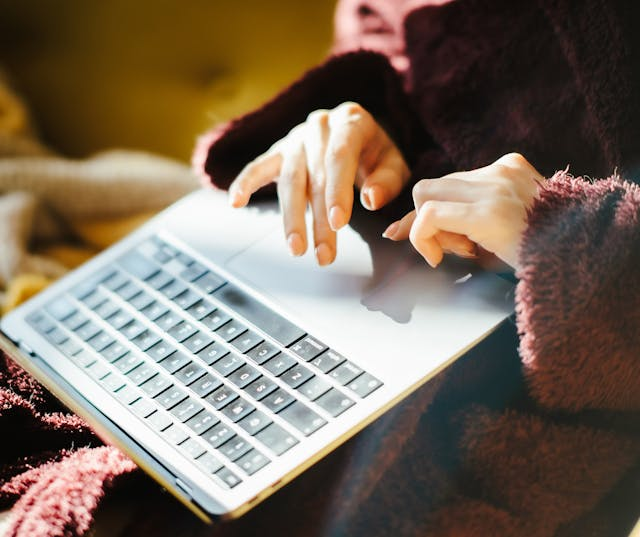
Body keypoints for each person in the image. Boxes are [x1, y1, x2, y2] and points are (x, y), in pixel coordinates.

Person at [192, 0, 640, 535]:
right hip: (377, 284)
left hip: (523, 413)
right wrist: (357, 123)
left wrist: (570, 234)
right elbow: (384, 46)